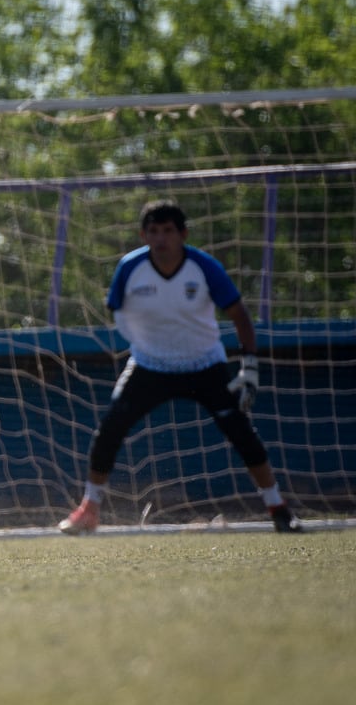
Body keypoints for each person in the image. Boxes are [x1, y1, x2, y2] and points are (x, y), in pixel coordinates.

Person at [58, 199, 302, 535]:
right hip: (149, 365)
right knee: (110, 428)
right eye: (154, 231)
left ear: (183, 234)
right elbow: (117, 310)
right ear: (143, 235)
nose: (161, 239)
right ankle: (89, 509)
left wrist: (249, 367)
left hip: (203, 364)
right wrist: (144, 345)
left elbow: (239, 315)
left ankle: (278, 507)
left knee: (242, 434)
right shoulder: (130, 268)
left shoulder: (204, 267)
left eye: (169, 231)